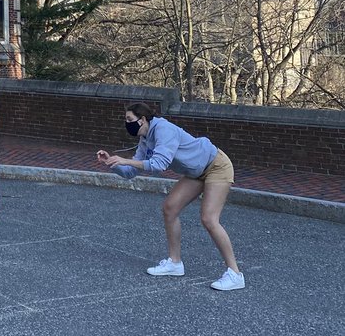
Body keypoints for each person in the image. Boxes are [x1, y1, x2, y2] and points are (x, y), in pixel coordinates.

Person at [96, 102, 245, 291]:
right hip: (195, 172)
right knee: (170, 208)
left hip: (216, 165)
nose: (127, 123)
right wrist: (112, 163)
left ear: (142, 120)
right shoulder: (145, 138)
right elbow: (130, 172)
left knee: (209, 218)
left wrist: (125, 159)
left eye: (129, 120)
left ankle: (235, 274)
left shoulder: (163, 130)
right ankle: (175, 264)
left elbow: (158, 164)